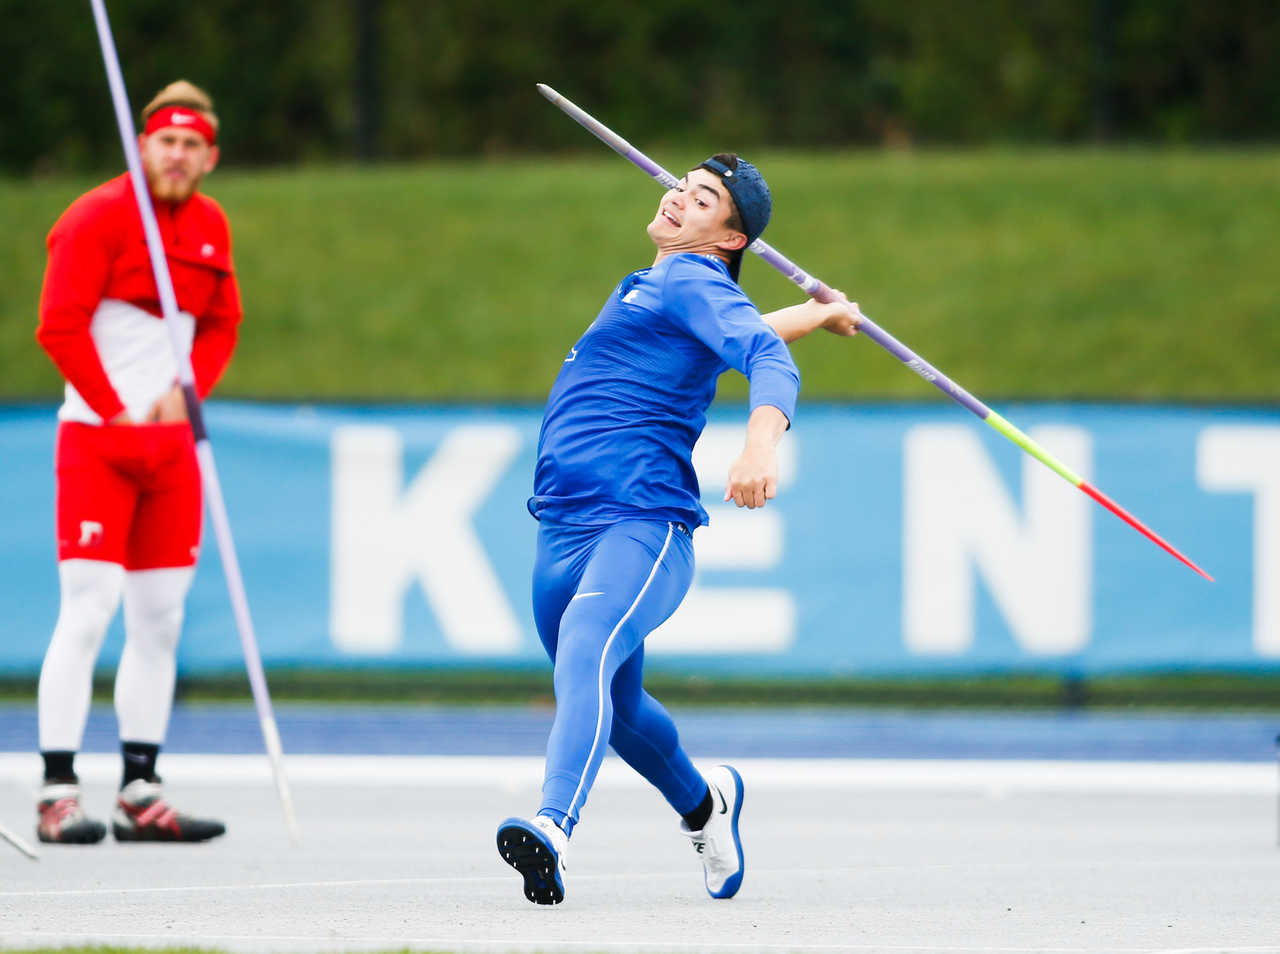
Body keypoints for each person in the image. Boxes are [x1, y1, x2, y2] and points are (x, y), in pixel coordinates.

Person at [496, 154, 860, 903]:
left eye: (702, 200)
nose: (677, 200)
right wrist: (821, 313)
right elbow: (750, 330)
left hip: (638, 520)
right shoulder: (665, 287)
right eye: (681, 187)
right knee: (616, 703)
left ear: (728, 240)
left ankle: (554, 826)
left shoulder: (691, 279)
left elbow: (760, 355)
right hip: (562, 527)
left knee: (588, 646)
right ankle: (706, 805)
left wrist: (760, 444)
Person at [32, 80, 240, 844]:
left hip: (171, 451)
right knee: (88, 611)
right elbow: (58, 325)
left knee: (162, 618)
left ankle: (140, 788)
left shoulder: (211, 225)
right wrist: (114, 404)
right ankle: (57, 791)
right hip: (97, 441)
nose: (178, 156)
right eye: (165, 142)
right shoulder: (96, 216)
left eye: (192, 146)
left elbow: (221, 324)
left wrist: (189, 397)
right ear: (142, 144)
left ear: (209, 157)